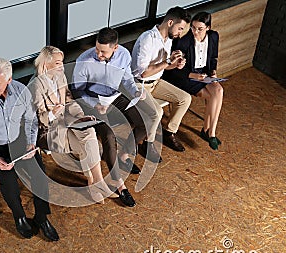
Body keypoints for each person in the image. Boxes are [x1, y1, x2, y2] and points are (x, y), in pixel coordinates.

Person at [0, 58, 59, 241]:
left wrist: (31, 143)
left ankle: (41, 218)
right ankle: (19, 216)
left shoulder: (22, 91)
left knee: (40, 176)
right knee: (9, 180)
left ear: (9, 79)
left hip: (18, 141)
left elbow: (31, 120)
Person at [72, 27, 162, 207]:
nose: (98, 54)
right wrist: (95, 104)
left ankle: (123, 155)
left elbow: (127, 78)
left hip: (114, 96)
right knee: (108, 136)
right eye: (97, 49)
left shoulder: (124, 55)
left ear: (115, 48)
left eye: (103, 51)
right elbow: (77, 90)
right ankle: (119, 185)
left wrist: (135, 90)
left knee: (145, 122)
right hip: (93, 101)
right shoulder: (84, 60)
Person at [27, 46, 114, 204]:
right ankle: (96, 182)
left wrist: (81, 117)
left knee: (88, 132)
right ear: (46, 64)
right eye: (58, 63)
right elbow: (37, 121)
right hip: (47, 131)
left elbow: (70, 101)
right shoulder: (35, 86)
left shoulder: (60, 77)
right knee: (85, 141)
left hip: (66, 122)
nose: (62, 66)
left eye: (62, 62)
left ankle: (95, 182)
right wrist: (53, 112)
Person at [131, 6, 192, 152]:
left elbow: (163, 67)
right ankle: (147, 143)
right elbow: (143, 73)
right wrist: (168, 62)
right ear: (170, 22)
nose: (180, 33)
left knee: (185, 98)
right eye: (180, 28)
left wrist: (175, 64)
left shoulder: (167, 39)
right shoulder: (147, 39)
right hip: (139, 85)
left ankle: (169, 133)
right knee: (157, 112)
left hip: (156, 82)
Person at [162, 12, 223, 150]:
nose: (195, 31)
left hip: (204, 74)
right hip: (186, 76)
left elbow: (213, 58)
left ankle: (211, 131)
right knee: (212, 96)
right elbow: (176, 69)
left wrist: (213, 72)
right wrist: (192, 75)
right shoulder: (184, 41)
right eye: (193, 27)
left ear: (208, 27)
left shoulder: (214, 36)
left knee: (219, 90)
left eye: (199, 29)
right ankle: (207, 132)